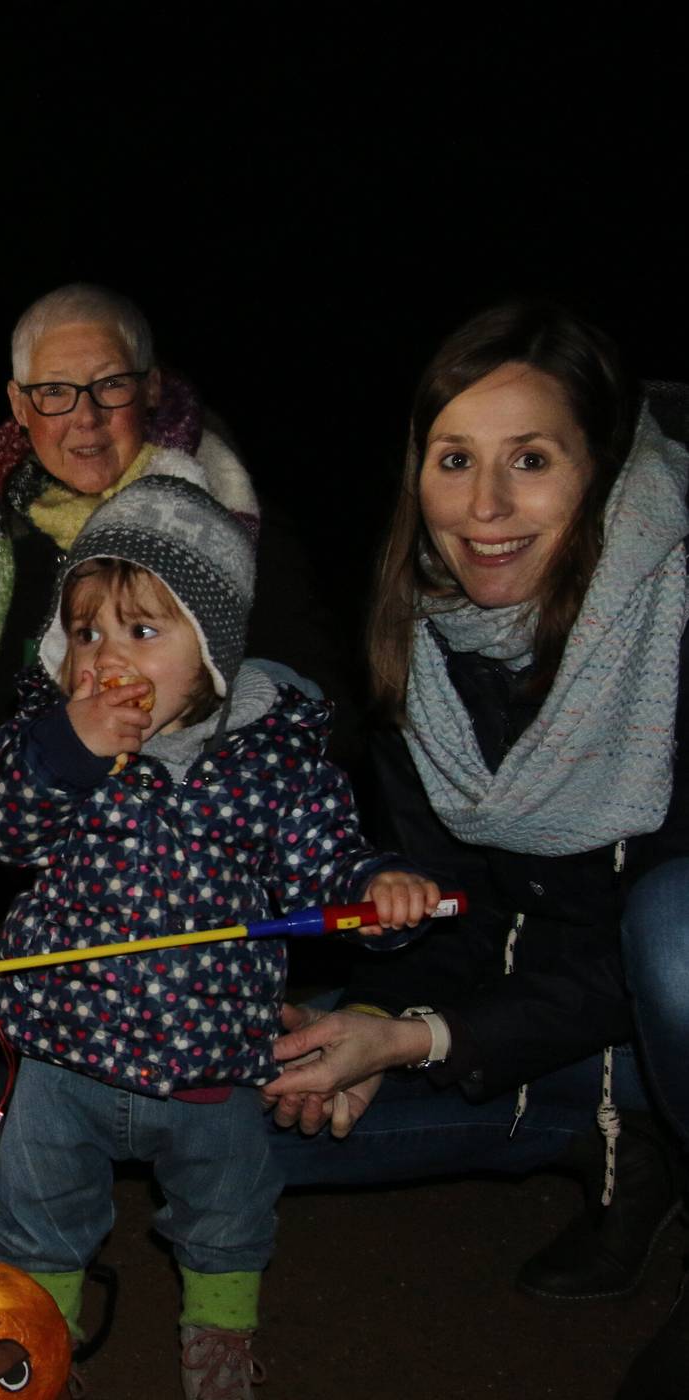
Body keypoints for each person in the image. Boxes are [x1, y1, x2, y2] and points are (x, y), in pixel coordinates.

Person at [263, 303, 689, 1400]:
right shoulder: (428, 642)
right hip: (540, 1024)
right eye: (456, 460)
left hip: (658, 1006)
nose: (486, 507)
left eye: (531, 460)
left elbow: (632, 948)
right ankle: (615, 1142)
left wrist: (415, 1038)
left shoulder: (678, 628)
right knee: (241, 1116)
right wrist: (362, 1019)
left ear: (599, 469)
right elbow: (452, 899)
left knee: (676, 933)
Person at [0, 474, 440, 1395]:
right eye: (87, 631)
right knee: (36, 1213)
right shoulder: (52, 740)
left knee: (228, 1215)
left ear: (212, 648)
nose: (106, 658)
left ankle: (217, 1342)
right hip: (62, 1053)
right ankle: (40, 1348)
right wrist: (67, 752)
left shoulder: (271, 758)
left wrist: (378, 891)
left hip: (214, 1061)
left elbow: (323, 865)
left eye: (143, 630)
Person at [0, 282, 337, 734]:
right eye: (55, 391)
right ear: (20, 405)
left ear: (151, 388)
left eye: (111, 385)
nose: (86, 417)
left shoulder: (226, 521)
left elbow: (318, 704)